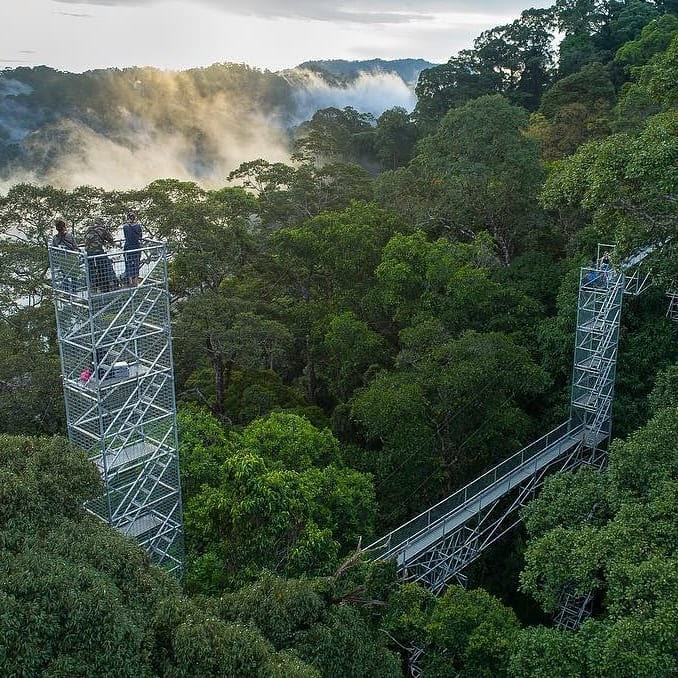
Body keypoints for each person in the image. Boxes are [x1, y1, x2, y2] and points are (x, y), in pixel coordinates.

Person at [84, 217, 116, 292]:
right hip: (98, 252)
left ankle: (93, 287)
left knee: (91, 269)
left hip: (89, 252)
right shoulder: (102, 229)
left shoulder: (89, 229)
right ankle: (108, 283)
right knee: (105, 266)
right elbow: (111, 239)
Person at [123, 212, 143, 285]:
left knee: (128, 264)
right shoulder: (138, 226)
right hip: (136, 247)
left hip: (128, 247)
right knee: (136, 263)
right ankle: (136, 280)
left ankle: (130, 281)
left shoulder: (125, 227)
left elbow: (126, 236)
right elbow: (140, 236)